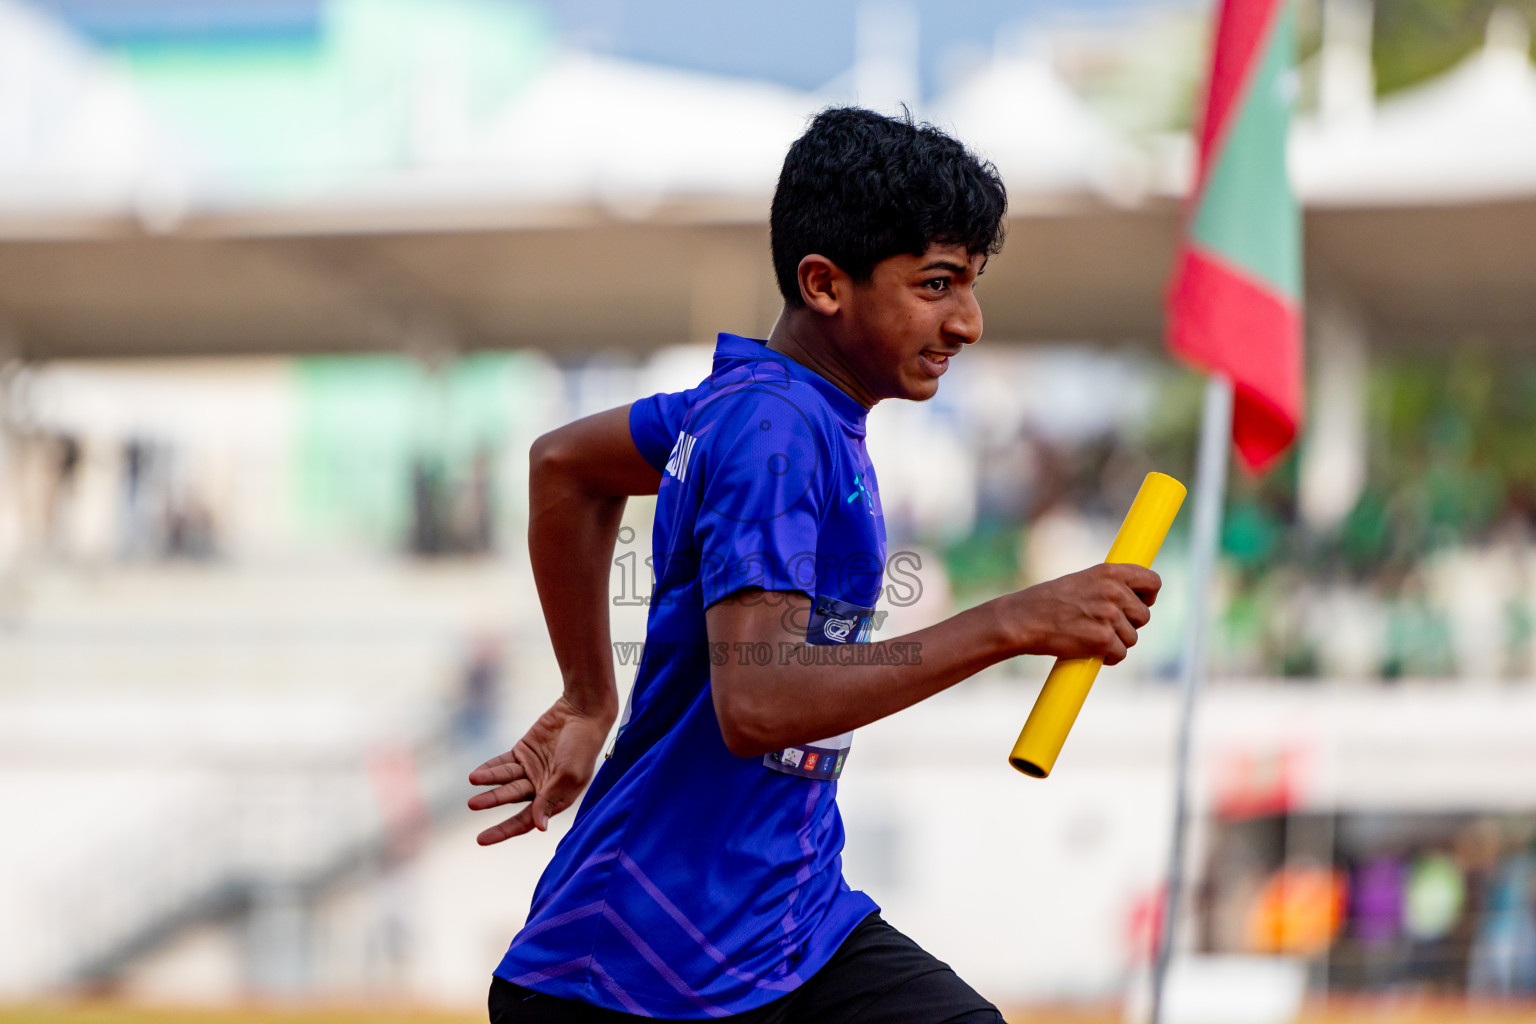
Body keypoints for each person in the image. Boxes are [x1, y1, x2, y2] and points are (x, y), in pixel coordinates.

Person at [469, 107, 1161, 1023]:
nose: (970, 322)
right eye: (938, 284)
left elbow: (564, 465)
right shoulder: (773, 428)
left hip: (786, 932)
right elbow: (761, 703)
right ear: (825, 284)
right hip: (645, 971)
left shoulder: (764, 408)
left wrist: (589, 695)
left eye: (972, 283)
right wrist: (1014, 624)